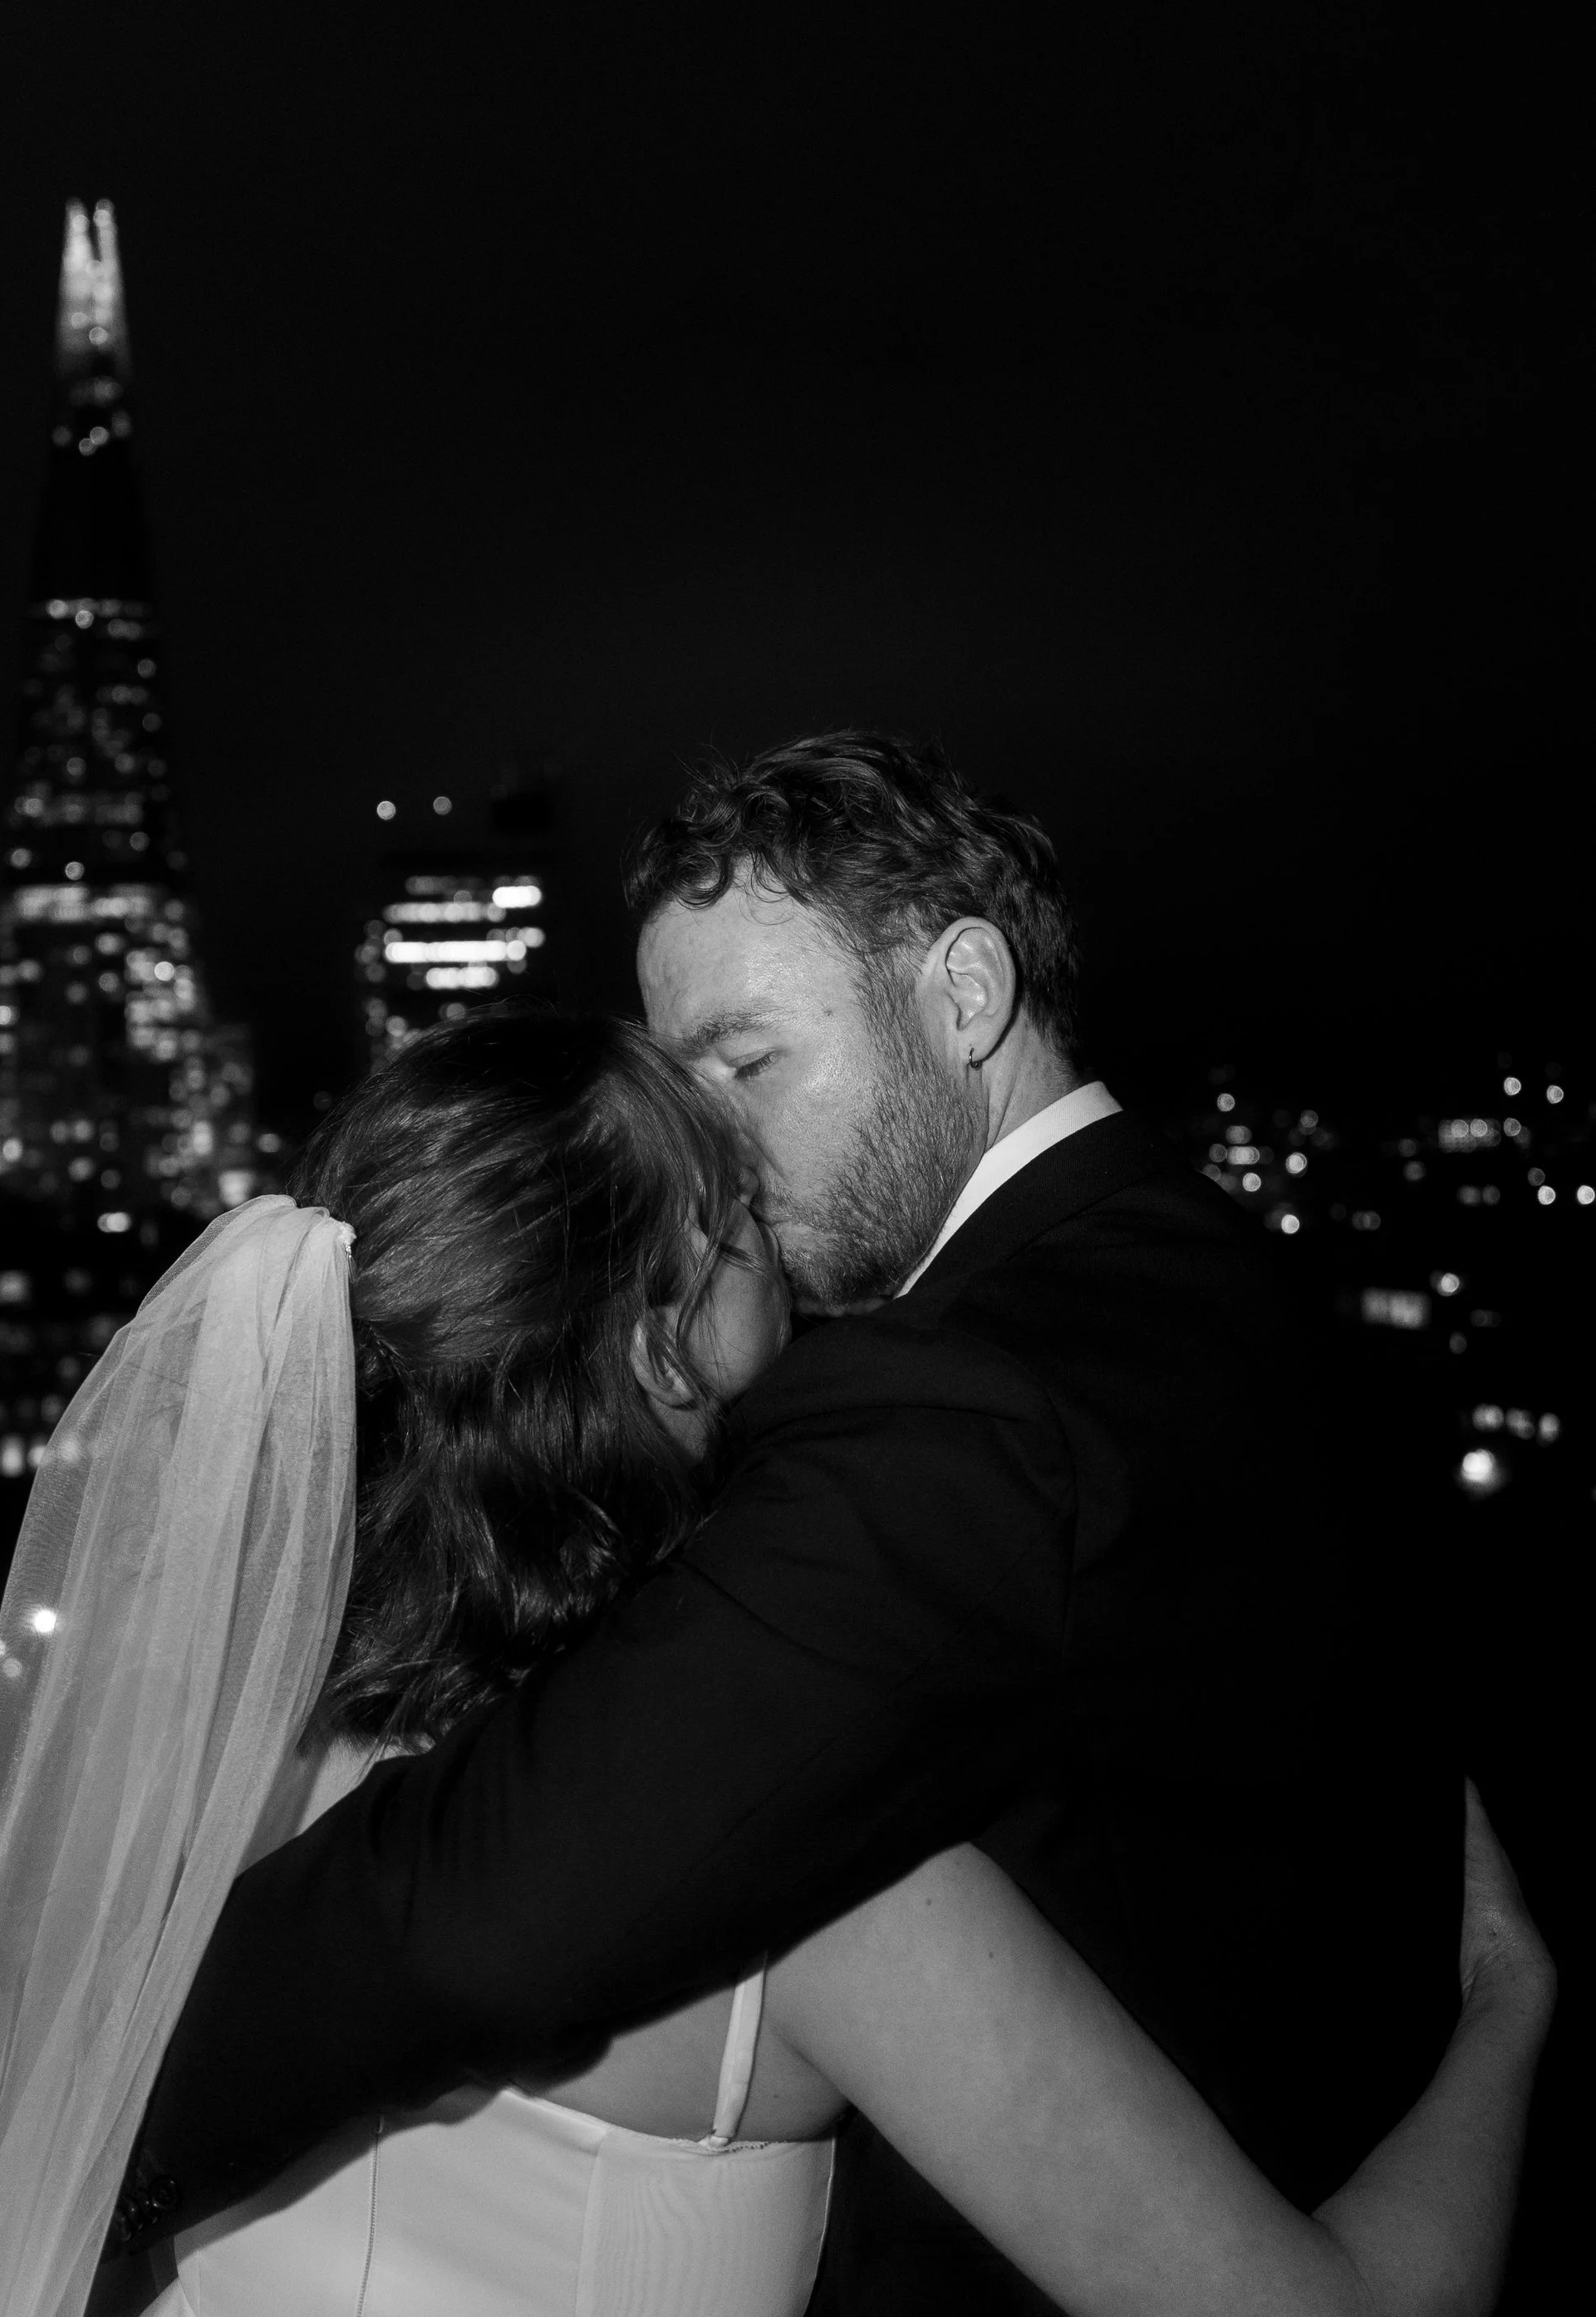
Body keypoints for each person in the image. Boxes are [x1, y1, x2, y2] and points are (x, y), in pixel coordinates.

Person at [0, 1006, 1551, 2317]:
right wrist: (1504, 2012)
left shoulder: (181, 1748)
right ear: (661, 1335)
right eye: (739, 1214)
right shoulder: (823, 1874)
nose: (793, 1262)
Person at [115, 733, 1485, 2311]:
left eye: (746, 1063)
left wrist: (82, 2116)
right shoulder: (1227, 1290)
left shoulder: (957, 1396)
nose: (719, 1152)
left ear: (964, 997)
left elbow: (482, 1907)